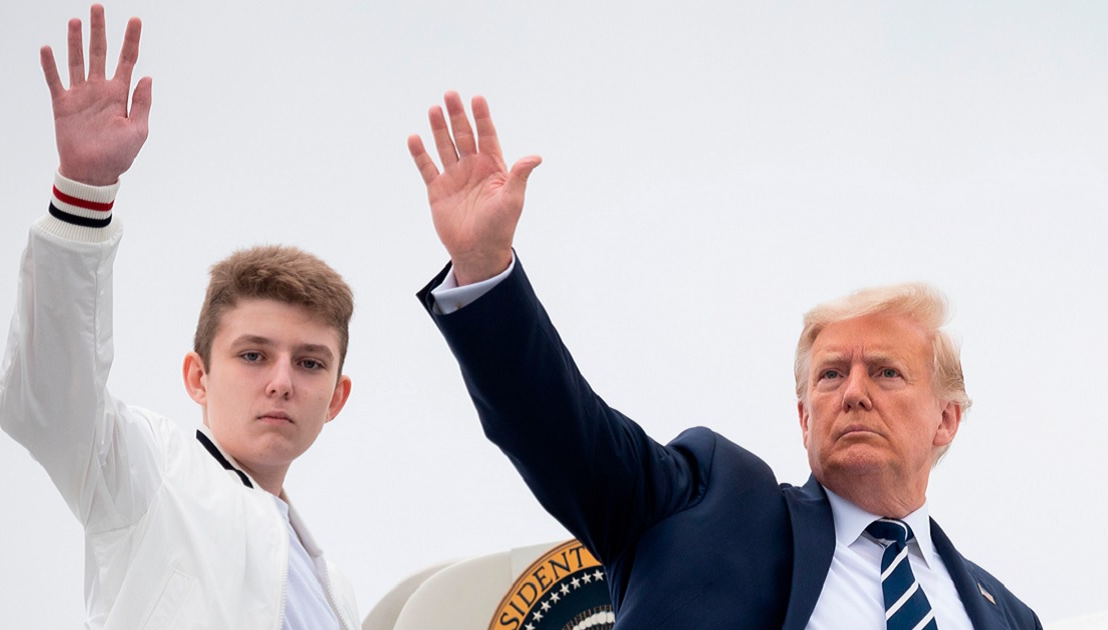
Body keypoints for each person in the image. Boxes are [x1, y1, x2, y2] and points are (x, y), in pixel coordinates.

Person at [407, 92, 1041, 629]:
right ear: (803, 416)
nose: (852, 392)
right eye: (829, 375)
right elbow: (562, 433)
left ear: (946, 421)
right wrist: (486, 271)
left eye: (885, 372)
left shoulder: (1009, 614)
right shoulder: (710, 503)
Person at [0, 6, 361, 628]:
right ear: (197, 376)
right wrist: (84, 193)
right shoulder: (147, 472)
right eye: (252, 354)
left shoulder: (338, 594)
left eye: (309, 362)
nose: (281, 381)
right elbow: (51, 401)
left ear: (336, 396)